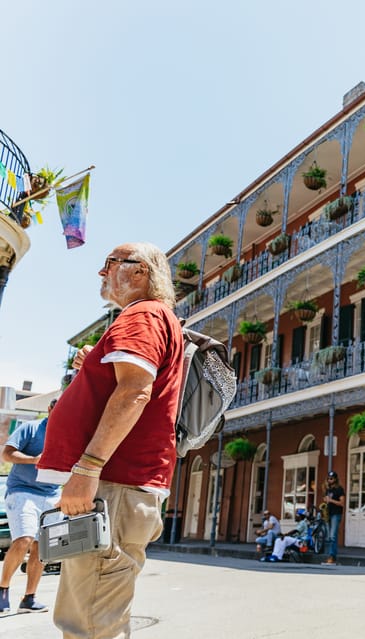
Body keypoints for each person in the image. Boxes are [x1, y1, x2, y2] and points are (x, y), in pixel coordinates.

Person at [36, 242, 185, 639]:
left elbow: (135, 390)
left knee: (90, 623)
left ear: (139, 273)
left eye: (110, 264)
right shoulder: (152, 318)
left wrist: (87, 468)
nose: (102, 273)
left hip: (114, 485)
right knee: (94, 614)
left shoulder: (142, 315)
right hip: (121, 486)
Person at [0, 400, 61, 614]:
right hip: (22, 490)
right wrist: (34, 459)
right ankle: (2, 590)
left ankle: (29, 598)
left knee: (41, 548)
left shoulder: (70, 434)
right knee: (23, 539)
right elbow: (6, 454)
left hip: (52, 495)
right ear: (50, 409)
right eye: (60, 408)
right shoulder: (32, 428)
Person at [322, 471, 345, 564]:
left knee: (332, 536)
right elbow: (328, 501)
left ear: (335, 479)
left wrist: (331, 500)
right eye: (328, 478)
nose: (329, 480)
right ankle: (332, 555)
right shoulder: (328, 490)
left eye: (331, 478)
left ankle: (332, 556)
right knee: (330, 536)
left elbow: (342, 503)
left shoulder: (339, 489)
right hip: (329, 513)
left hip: (336, 514)